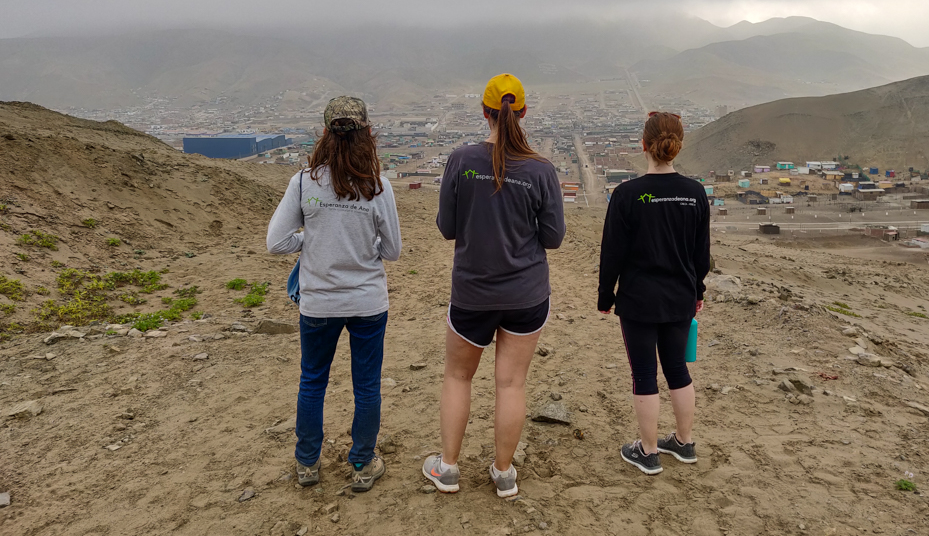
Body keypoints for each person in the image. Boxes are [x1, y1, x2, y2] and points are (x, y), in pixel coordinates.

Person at [423, 73, 566, 498]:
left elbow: (447, 228)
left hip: (473, 293)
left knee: (458, 377)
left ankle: (447, 468)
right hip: (526, 295)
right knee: (511, 384)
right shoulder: (541, 168)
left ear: (484, 112)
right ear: (522, 112)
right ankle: (504, 474)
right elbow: (554, 238)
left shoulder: (461, 159)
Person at [267, 96, 402, 492]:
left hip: (319, 303)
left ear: (325, 134)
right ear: (366, 135)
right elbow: (392, 250)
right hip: (366, 302)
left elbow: (276, 243)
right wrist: (362, 250)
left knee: (312, 382)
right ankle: (362, 462)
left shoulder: (304, 182)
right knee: (367, 386)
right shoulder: (377, 187)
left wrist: (311, 242)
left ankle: (307, 463)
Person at [597, 111, 710, 475]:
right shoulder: (695, 193)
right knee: (677, 368)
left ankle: (647, 452)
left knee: (644, 373)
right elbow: (700, 252)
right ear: (677, 146)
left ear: (643, 145)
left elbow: (611, 252)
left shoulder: (627, 194)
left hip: (639, 299)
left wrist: (605, 296)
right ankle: (684, 442)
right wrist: (698, 289)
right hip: (680, 297)